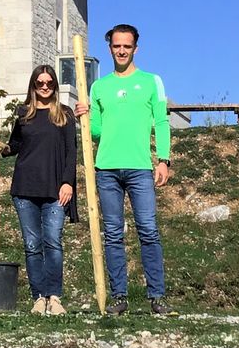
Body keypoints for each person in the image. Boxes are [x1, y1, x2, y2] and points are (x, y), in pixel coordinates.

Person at [75, 24, 175, 316]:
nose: (121, 51)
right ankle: (119, 296)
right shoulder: (99, 87)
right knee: (113, 233)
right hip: (106, 169)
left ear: (135, 49)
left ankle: (157, 297)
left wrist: (164, 159)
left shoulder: (152, 81)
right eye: (116, 46)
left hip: (140, 168)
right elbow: (97, 132)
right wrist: (86, 117)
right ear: (110, 49)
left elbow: (162, 122)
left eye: (126, 46)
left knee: (148, 230)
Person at [2, 65, 77, 316]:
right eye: (40, 83)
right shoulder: (24, 113)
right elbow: (16, 144)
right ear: (33, 85)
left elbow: (71, 151)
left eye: (49, 83)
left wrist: (67, 182)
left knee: (53, 242)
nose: (44, 87)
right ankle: (38, 297)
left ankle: (54, 297)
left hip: (55, 189)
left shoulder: (64, 114)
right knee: (32, 244)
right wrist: (4, 149)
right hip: (25, 187)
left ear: (55, 85)